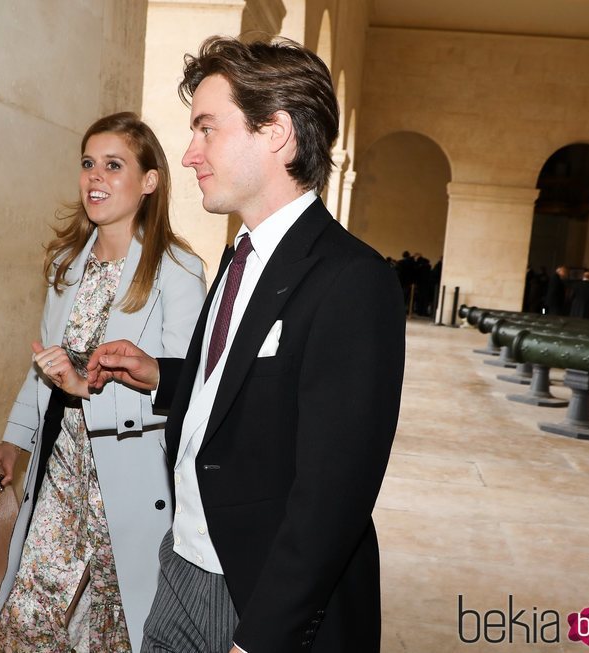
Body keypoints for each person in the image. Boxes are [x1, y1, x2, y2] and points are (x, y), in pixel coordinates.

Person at [88, 37, 405, 653]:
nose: (188, 154)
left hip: (256, 593)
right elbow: (245, 388)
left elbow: (332, 498)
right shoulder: (240, 254)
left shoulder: (353, 281)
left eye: (207, 129)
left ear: (277, 132)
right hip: (181, 563)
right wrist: (165, 376)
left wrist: (263, 638)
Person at [0, 112, 206, 652]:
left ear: (149, 181)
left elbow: (190, 390)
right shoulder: (67, 266)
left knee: (114, 631)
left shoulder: (178, 271)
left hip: (128, 482)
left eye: (113, 165)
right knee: (27, 620)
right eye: (87, 164)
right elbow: (43, 369)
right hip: (60, 475)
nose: (95, 178)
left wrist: (93, 394)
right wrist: (14, 442)